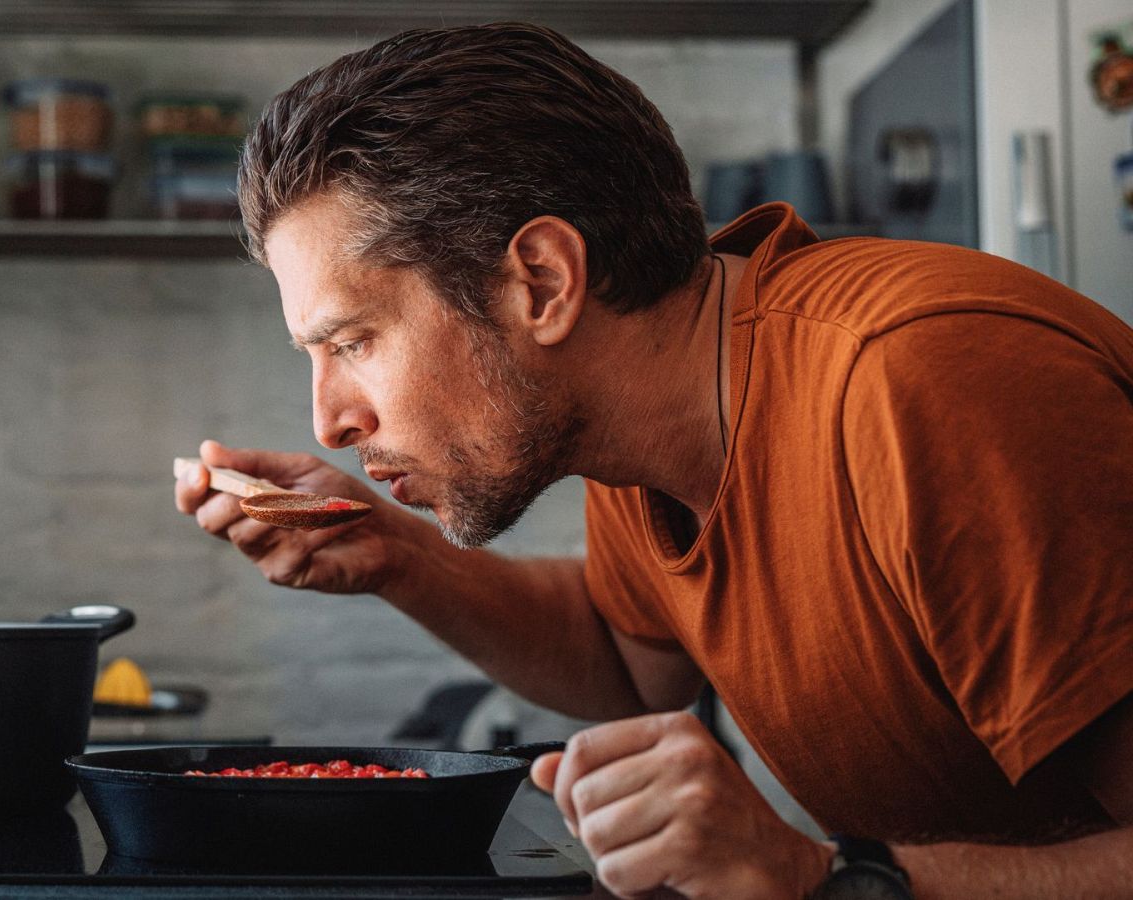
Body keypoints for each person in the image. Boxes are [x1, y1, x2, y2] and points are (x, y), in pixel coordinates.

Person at [173, 23, 1133, 899]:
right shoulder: (638, 425)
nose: (330, 419)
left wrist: (822, 878)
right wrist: (401, 557)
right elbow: (635, 670)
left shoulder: (924, 384)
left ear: (540, 282)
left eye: (354, 341)